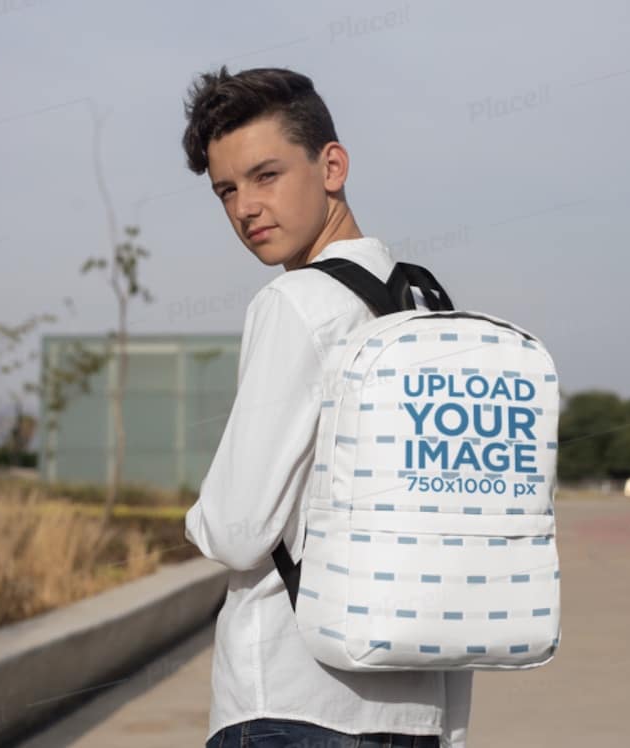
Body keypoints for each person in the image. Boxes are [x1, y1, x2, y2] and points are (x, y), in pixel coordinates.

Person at [181, 66, 472, 748]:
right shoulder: (426, 307)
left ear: (331, 165)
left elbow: (238, 527)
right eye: (226, 190)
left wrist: (197, 520)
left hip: (291, 699)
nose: (245, 207)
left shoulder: (298, 303)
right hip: (419, 708)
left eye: (266, 175)